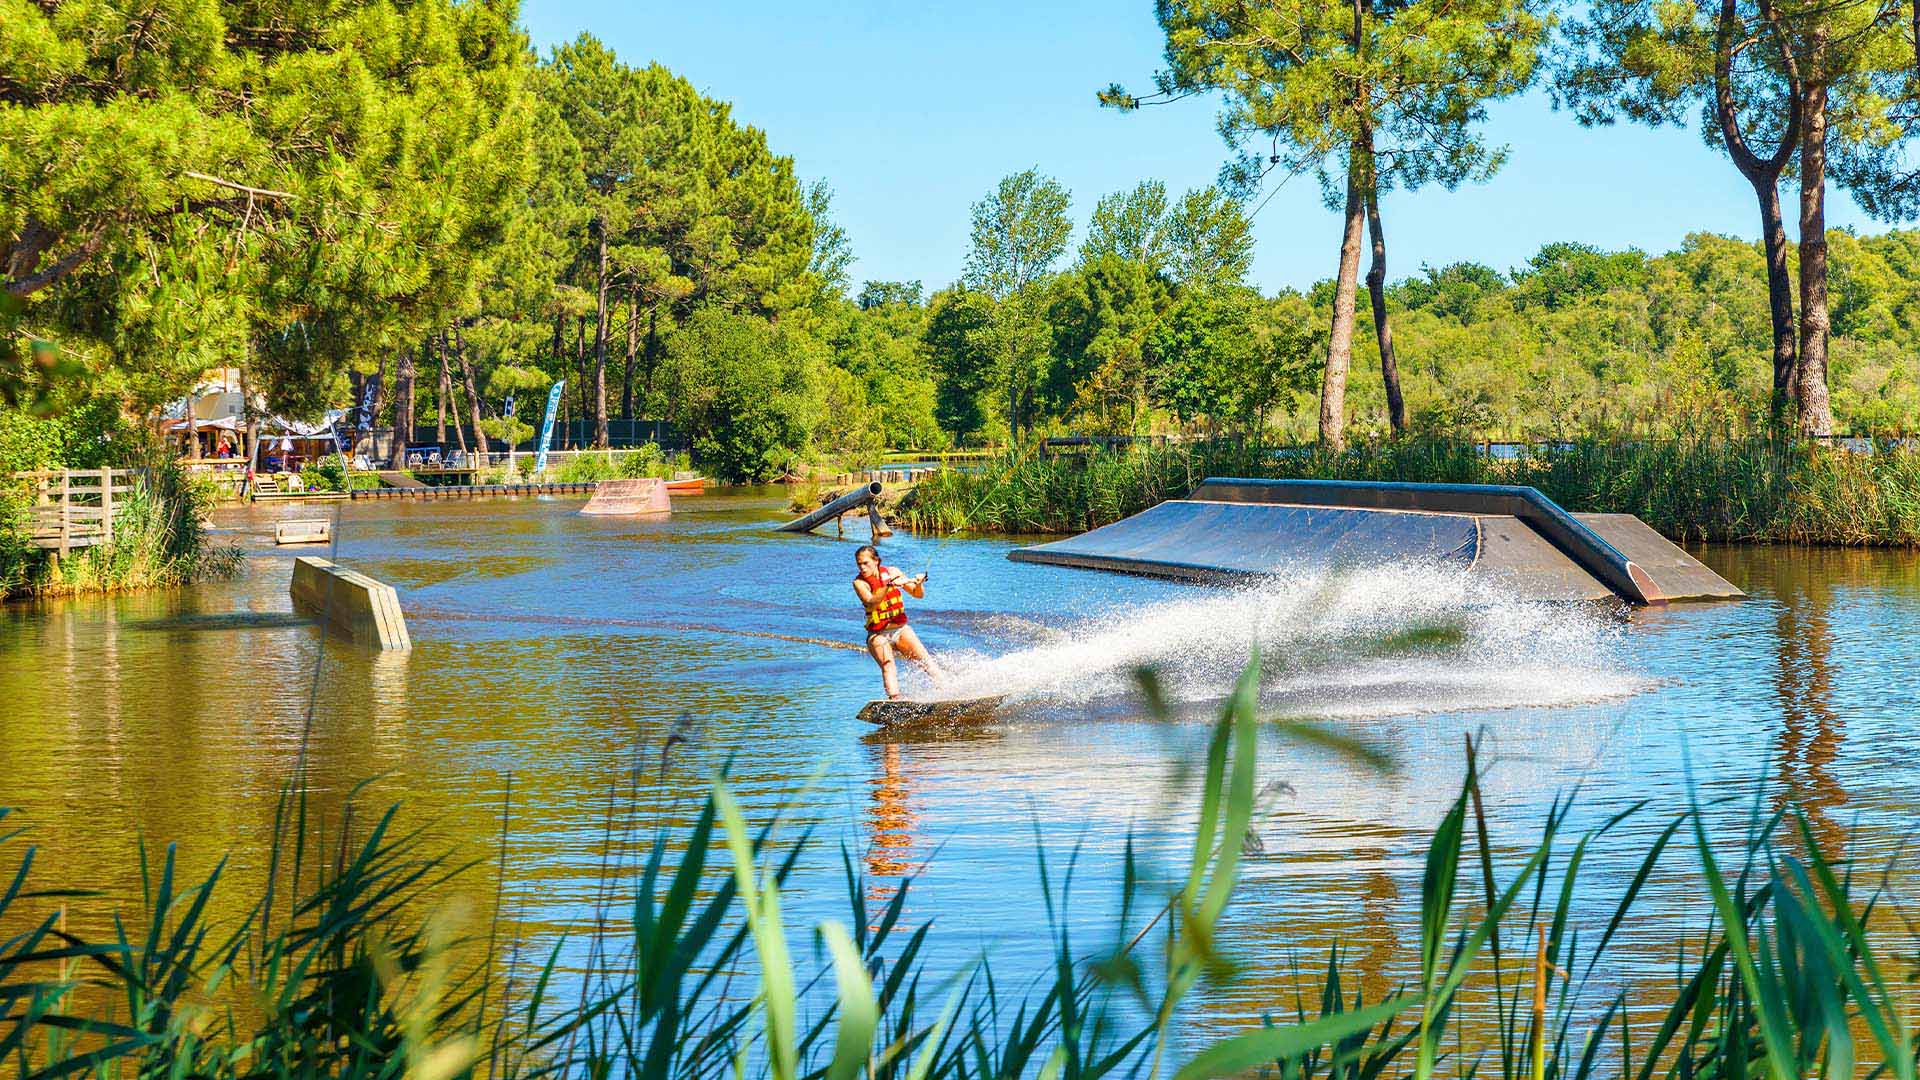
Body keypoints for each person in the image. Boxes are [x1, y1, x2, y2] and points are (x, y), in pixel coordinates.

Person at [853, 544, 945, 700]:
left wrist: (918, 583)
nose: (862, 567)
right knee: (888, 665)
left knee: (926, 660)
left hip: (901, 630)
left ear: (877, 561)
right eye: (859, 564)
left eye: (865, 563)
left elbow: (918, 595)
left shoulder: (893, 572)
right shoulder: (859, 583)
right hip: (877, 635)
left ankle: (946, 691)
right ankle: (895, 700)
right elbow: (871, 602)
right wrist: (888, 586)